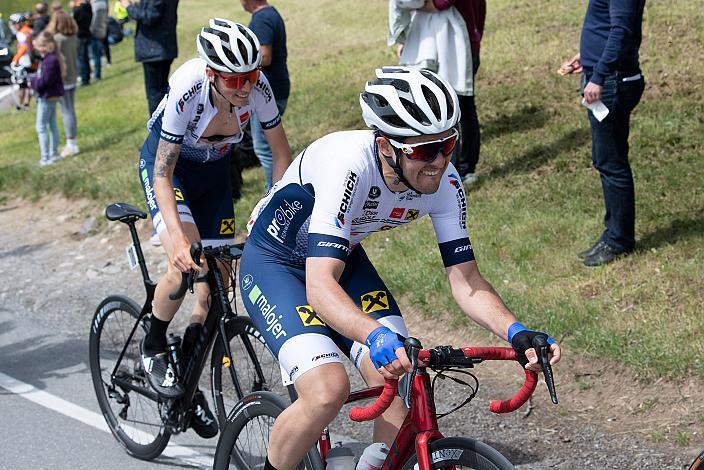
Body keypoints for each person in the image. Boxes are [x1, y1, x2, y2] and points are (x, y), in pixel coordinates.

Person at [238, 66, 561, 469]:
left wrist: (516, 332)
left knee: (402, 374)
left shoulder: (446, 182)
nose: (440, 162)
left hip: (341, 256)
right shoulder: (348, 166)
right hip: (275, 263)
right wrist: (374, 335)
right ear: (385, 145)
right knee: (326, 390)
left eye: (448, 145)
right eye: (424, 151)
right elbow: (320, 289)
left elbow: (467, 280)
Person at [136, 18, 293, 438]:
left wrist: (268, 210)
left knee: (215, 289)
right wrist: (174, 238)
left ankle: (184, 384)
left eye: (251, 75)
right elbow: (163, 173)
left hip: (214, 177)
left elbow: (281, 155)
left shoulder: (257, 89)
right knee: (186, 264)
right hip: (172, 172)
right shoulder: (188, 89)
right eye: (235, 78)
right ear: (211, 73)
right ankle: (151, 344)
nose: (245, 86)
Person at [560, 0, 646, 267]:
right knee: (607, 160)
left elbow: (622, 30)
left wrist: (599, 74)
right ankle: (613, 232)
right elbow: (607, 25)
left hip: (612, 81)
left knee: (612, 162)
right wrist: (587, 57)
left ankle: (619, 239)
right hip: (606, 76)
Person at [391, 0, 484, 186]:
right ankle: (442, 167)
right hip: (436, 43)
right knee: (437, 109)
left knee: (459, 108)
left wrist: (412, 4)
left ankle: (463, 169)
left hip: (459, 43)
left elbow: (441, 3)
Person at [240, 0, 290, 192]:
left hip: (270, 92)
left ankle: (274, 191)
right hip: (278, 88)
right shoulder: (270, 13)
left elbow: (265, 56)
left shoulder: (261, 19)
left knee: (265, 148)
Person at [121, 0, 179, 115]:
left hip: (155, 50)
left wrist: (128, 6)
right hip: (161, 48)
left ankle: (158, 130)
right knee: (161, 91)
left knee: (155, 94)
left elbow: (150, 17)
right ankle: (165, 126)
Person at [47, 10, 81, 157]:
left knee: (66, 111)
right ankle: (71, 142)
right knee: (70, 110)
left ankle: (71, 144)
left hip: (63, 79)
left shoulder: (58, 39)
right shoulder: (73, 37)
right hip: (73, 76)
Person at [31, 30, 64, 166]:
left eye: (39, 46)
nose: (37, 49)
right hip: (52, 95)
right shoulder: (51, 58)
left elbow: (45, 81)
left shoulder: (50, 60)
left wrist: (32, 82)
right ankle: (53, 153)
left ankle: (46, 157)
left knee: (41, 127)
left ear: (45, 46)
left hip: (47, 96)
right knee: (52, 124)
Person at [8, 13, 35, 110]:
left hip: (25, 61)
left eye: (13, 23)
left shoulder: (21, 33)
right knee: (28, 84)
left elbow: (23, 47)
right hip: (31, 61)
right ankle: (26, 103)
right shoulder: (29, 30)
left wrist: (15, 59)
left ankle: (20, 105)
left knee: (22, 84)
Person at [72, 0, 92, 85]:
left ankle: (85, 79)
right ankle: (87, 76)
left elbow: (73, 23)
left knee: (81, 58)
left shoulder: (77, 10)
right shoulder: (88, 7)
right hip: (87, 33)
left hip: (80, 35)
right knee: (85, 57)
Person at [89, 0, 108, 79]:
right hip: (101, 30)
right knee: (98, 53)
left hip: (94, 31)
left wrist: (90, 29)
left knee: (95, 54)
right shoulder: (104, 4)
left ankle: (97, 74)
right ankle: (97, 72)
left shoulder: (95, 5)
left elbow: (93, 20)